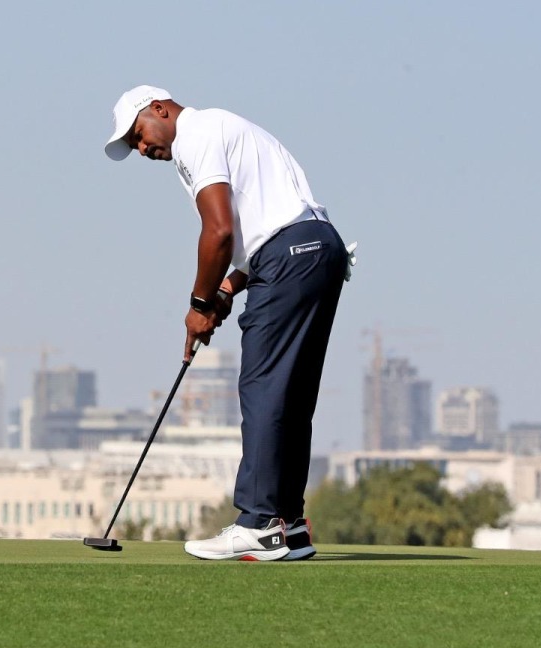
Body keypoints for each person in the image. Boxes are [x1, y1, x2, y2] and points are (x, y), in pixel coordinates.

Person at [104, 85, 354, 561]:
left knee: (263, 388)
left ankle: (258, 523)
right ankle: (288, 525)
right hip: (319, 248)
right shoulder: (223, 129)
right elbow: (262, 235)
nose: (141, 149)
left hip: (289, 255)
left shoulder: (196, 135)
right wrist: (224, 292)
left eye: (138, 135)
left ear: (159, 109)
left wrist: (199, 304)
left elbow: (218, 231)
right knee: (291, 393)